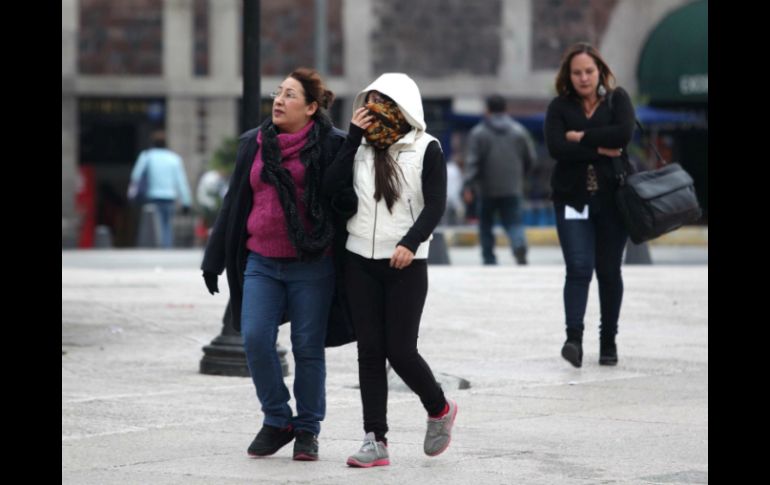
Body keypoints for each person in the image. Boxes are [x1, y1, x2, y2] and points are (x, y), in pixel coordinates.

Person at [200, 68, 347, 461]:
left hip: (313, 264)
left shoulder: (334, 146)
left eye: (290, 95)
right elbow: (233, 203)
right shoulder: (254, 143)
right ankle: (277, 418)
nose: (278, 100)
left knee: (307, 349)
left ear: (312, 107)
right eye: (278, 93)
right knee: (254, 339)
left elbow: (347, 199)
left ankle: (307, 429)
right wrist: (212, 260)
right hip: (261, 261)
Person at [323, 73, 457, 468]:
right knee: (369, 351)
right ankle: (375, 438)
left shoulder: (426, 148)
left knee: (400, 350)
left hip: (405, 263)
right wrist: (351, 139)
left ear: (404, 107)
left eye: (383, 103)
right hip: (358, 258)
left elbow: (435, 204)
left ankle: (439, 408)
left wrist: (410, 242)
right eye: (370, 102)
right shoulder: (359, 147)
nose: (373, 111)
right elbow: (330, 186)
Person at [543, 43, 636, 368]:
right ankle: (574, 340)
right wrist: (600, 148)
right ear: (568, 76)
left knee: (609, 271)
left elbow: (622, 135)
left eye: (589, 71)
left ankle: (608, 341)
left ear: (600, 71)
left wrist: (579, 138)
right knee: (579, 269)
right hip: (571, 200)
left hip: (614, 201)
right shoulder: (559, 106)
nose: (583, 77)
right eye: (577, 72)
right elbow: (556, 148)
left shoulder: (618, 99)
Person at [463, 95, 536, 265]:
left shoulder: (478, 133)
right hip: (513, 187)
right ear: (505, 109)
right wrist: (520, 177)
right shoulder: (519, 131)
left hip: (486, 188)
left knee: (486, 225)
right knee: (514, 222)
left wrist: (468, 185)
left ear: (487, 110)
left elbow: (472, 162)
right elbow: (530, 159)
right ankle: (518, 244)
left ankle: (489, 258)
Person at [128, 131, 192, 248]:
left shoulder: (146, 156)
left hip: (152, 196)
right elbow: (181, 182)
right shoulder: (174, 158)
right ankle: (166, 248)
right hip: (169, 197)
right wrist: (186, 202)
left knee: (154, 225)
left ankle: (155, 247)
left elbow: (135, 176)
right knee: (167, 224)